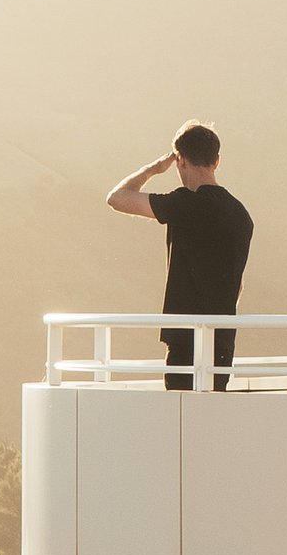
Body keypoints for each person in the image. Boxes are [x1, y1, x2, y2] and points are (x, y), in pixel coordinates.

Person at [105, 124, 254, 390]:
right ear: (216, 161)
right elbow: (237, 282)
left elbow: (117, 198)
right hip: (222, 340)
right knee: (210, 415)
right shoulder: (240, 214)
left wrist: (153, 169)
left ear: (180, 160)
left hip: (186, 339)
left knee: (181, 420)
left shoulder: (184, 204)